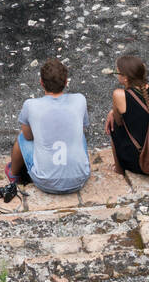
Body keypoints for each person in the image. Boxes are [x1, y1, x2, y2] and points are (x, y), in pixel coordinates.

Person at [6, 57, 90, 195]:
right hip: (79, 179)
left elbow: (28, 136)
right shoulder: (80, 99)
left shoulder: (30, 105)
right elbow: (81, 130)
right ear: (66, 82)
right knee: (79, 135)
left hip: (45, 182)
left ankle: (13, 174)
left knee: (21, 138)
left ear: (41, 83)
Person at [105, 54, 149, 176]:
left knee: (113, 122)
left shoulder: (119, 94)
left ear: (125, 78)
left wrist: (112, 112)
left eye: (117, 72)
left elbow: (118, 121)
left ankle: (119, 170)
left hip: (141, 163)